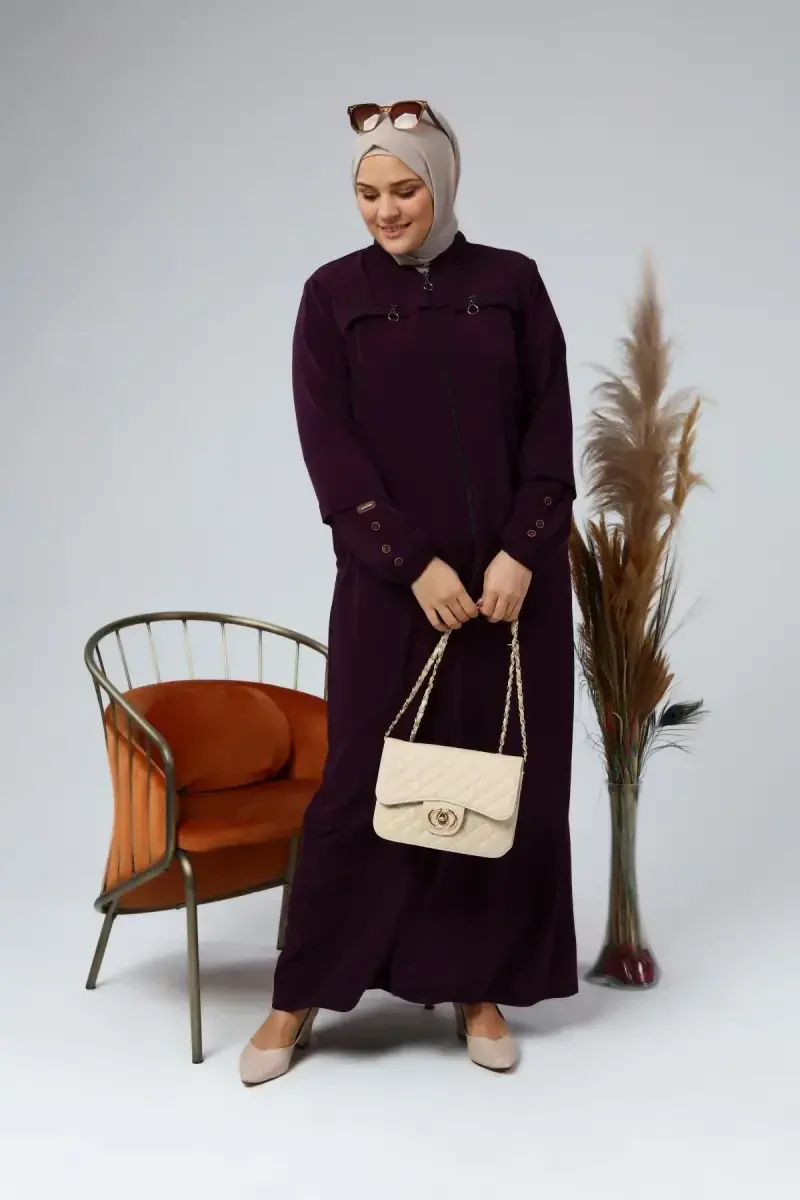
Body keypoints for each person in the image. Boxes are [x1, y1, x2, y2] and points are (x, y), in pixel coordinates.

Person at [239, 100, 577, 1085]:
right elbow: (330, 451)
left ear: (442, 182)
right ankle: (300, 993)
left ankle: (477, 986)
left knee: (490, 783)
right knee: (360, 786)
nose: (385, 211)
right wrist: (412, 564)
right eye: (366, 193)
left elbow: (549, 426)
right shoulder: (330, 296)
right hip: (392, 591)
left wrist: (521, 552)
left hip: (510, 594)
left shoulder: (511, 283)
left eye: (404, 189)